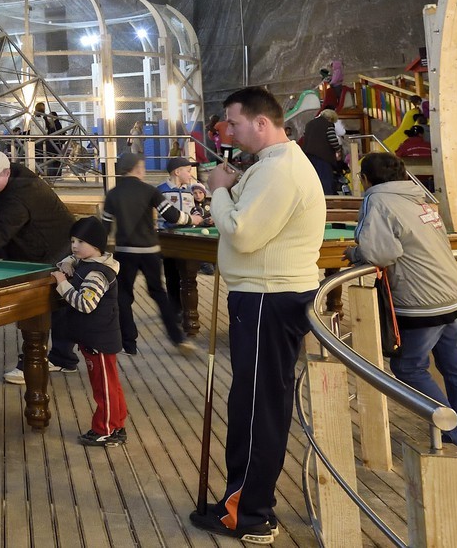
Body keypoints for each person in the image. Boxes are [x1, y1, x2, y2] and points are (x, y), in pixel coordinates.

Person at [190, 87, 324, 543]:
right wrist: (231, 190)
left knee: (255, 409)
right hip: (266, 295)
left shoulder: (281, 170)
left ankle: (249, 514)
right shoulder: (273, 165)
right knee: (257, 404)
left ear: (262, 123)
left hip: (269, 298)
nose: (228, 130)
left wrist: (220, 192)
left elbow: (242, 233)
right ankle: (246, 504)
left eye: (235, 121)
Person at [349, 152, 457, 464]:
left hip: (421, 300)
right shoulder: (418, 197)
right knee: (455, 365)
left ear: (367, 179)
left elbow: (380, 253)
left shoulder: (378, 200)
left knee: (409, 367)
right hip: (451, 292)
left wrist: (354, 252)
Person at [0, 150, 78, 382]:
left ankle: (34, 362)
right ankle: (63, 359)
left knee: (37, 303)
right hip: (42, 245)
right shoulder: (11, 183)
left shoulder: (21, 192)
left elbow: (4, 225)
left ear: (7, 172)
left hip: (56, 249)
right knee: (58, 305)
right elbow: (6, 224)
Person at [99, 152, 188, 354]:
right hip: (150, 250)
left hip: (124, 251)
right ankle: (177, 338)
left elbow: (104, 228)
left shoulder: (113, 194)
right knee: (158, 293)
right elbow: (172, 216)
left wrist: (100, 254)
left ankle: (128, 343)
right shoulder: (150, 191)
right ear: (137, 168)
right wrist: (191, 220)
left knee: (123, 295)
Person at [50, 217, 126, 446]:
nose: (74, 246)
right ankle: (117, 424)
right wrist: (68, 261)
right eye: (72, 240)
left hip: (98, 339)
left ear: (95, 246)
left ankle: (104, 429)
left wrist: (62, 284)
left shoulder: (97, 274)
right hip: (97, 336)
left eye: (80, 241)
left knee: (103, 387)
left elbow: (85, 303)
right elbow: (76, 258)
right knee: (110, 383)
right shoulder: (91, 261)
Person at [157, 156, 210, 335]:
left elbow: (191, 212)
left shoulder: (188, 192)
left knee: (187, 274)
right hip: (169, 238)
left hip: (187, 237)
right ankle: (175, 309)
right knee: (172, 274)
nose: (190, 174)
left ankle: (185, 308)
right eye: (188, 170)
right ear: (177, 172)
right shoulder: (160, 191)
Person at [300, 108, 343, 196]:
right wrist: (338, 149)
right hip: (323, 156)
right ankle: (328, 200)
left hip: (308, 155)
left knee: (313, 179)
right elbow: (333, 140)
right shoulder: (328, 125)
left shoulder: (309, 124)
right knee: (325, 179)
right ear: (330, 118)